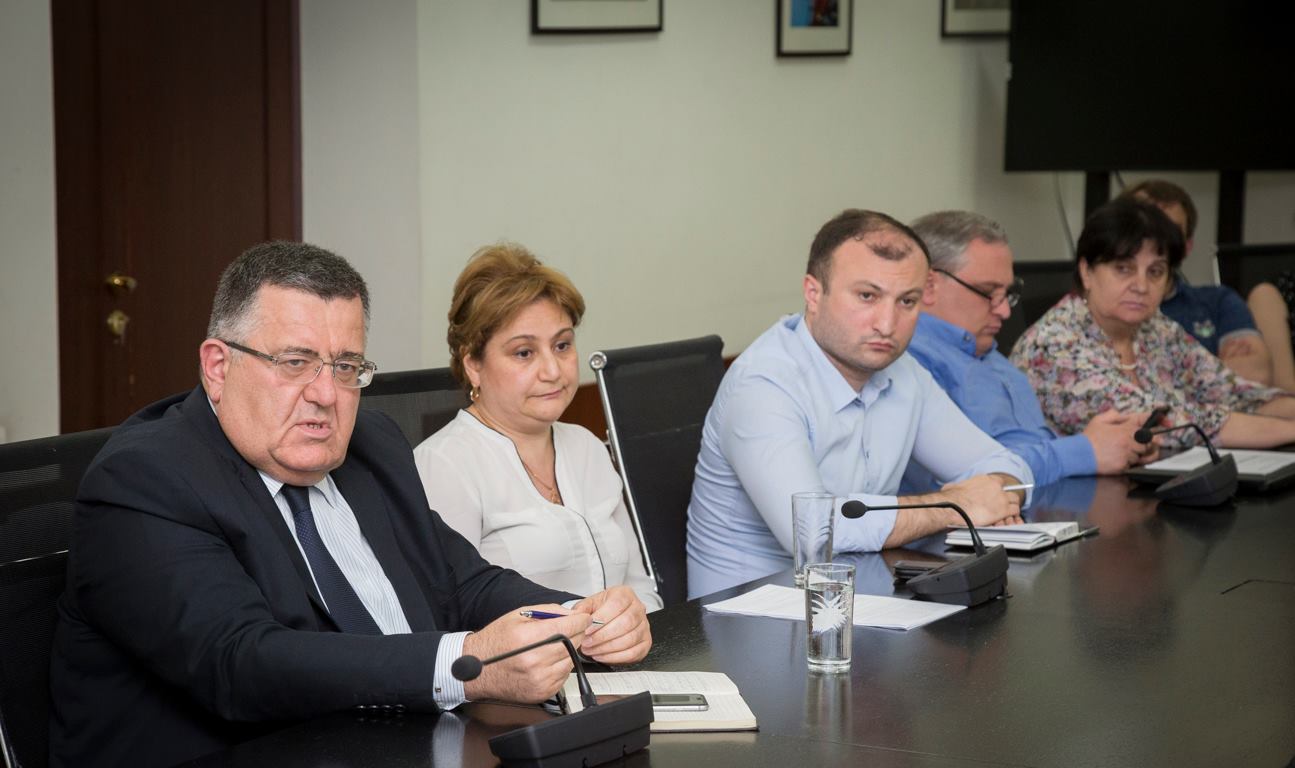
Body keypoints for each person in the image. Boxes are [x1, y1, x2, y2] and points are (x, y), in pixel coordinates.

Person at [49, 242, 651, 768]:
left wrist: (579, 619)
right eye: (295, 362)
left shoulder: (370, 444)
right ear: (218, 366)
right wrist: (468, 665)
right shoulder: (145, 479)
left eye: (345, 367)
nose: (325, 395)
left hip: (406, 746)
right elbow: (241, 662)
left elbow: (460, 582)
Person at [686, 209, 1032, 599]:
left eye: (907, 301)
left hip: (860, 599)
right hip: (752, 614)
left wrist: (995, 494)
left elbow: (1007, 465)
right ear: (813, 293)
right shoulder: (763, 383)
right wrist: (956, 505)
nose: (887, 323)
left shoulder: (904, 372)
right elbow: (813, 532)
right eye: (867, 296)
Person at [414, 244, 662, 612]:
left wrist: (636, 622)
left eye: (562, 345)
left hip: (625, 649)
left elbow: (642, 590)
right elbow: (450, 617)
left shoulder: (587, 447)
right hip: (532, 652)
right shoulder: (443, 466)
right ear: (473, 365)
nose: (552, 370)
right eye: (524, 353)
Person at [1010, 199, 1295, 450]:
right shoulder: (1053, 347)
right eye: (1124, 268)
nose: (1142, 286)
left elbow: (1236, 394)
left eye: (1155, 271)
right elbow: (1166, 425)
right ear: (1086, 272)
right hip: (1077, 492)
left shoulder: (1154, 328)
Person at [905, 210, 1157, 489]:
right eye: (988, 292)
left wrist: (1115, 445)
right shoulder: (909, 361)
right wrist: (1084, 452)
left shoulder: (992, 357)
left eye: (1007, 294)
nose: (1004, 311)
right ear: (929, 285)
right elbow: (965, 476)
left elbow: (1030, 448)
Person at [1120, 179, 1287, 386]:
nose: (1155, 241)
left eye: (1170, 231)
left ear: (1187, 246)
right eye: (1144, 228)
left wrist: (1166, 377)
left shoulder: (1218, 301)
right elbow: (1111, 386)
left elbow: (1256, 374)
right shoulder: (1103, 308)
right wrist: (1214, 365)